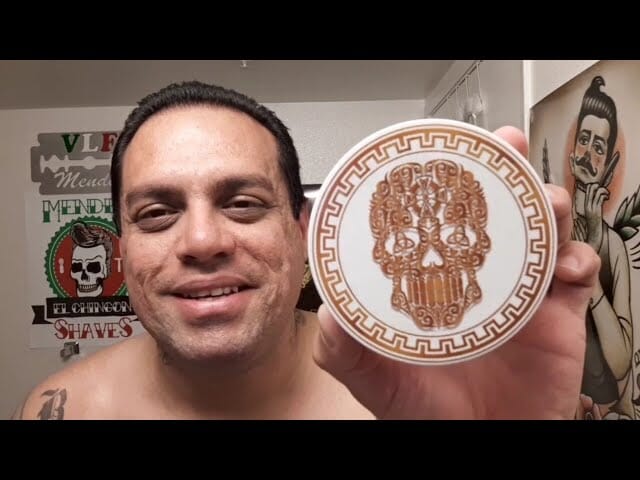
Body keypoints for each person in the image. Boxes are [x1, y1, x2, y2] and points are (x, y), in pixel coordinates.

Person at [11, 81, 600, 420]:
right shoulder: (61, 408)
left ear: (304, 231)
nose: (202, 242)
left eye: (243, 203)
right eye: (157, 214)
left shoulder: (408, 396)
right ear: (122, 251)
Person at [569, 76, 634, 419]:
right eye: (584, 140)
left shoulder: (614, 247)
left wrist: (590, 263)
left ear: (609, 163)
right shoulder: (549, 232)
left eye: (599, 147)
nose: (588, 154)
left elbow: (622, 363)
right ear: (572, 150)